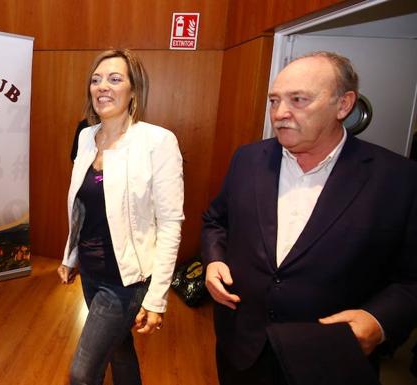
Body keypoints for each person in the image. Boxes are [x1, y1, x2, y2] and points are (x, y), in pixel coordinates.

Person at [201, 51, 417, 384]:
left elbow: (411, 279)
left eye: (298, 100)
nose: (280, 114)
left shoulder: (398, 178)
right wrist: (214, 260)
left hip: (329, 358)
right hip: (242, 350)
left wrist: (379, 321)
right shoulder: (247, 159)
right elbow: (216, 220)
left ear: (343, 105)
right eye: (274, 101)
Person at [58, 49, 184, 385]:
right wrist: (70, 256)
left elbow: (171, 223)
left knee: (82, 374)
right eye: (96, 80)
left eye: (115, 79)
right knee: (118, 347)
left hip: (127, 280)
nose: (103, 87)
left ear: (133, 90)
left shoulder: (157, 141)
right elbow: (81, 206)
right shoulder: (86, 136)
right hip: (90, 271)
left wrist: (157, 298)